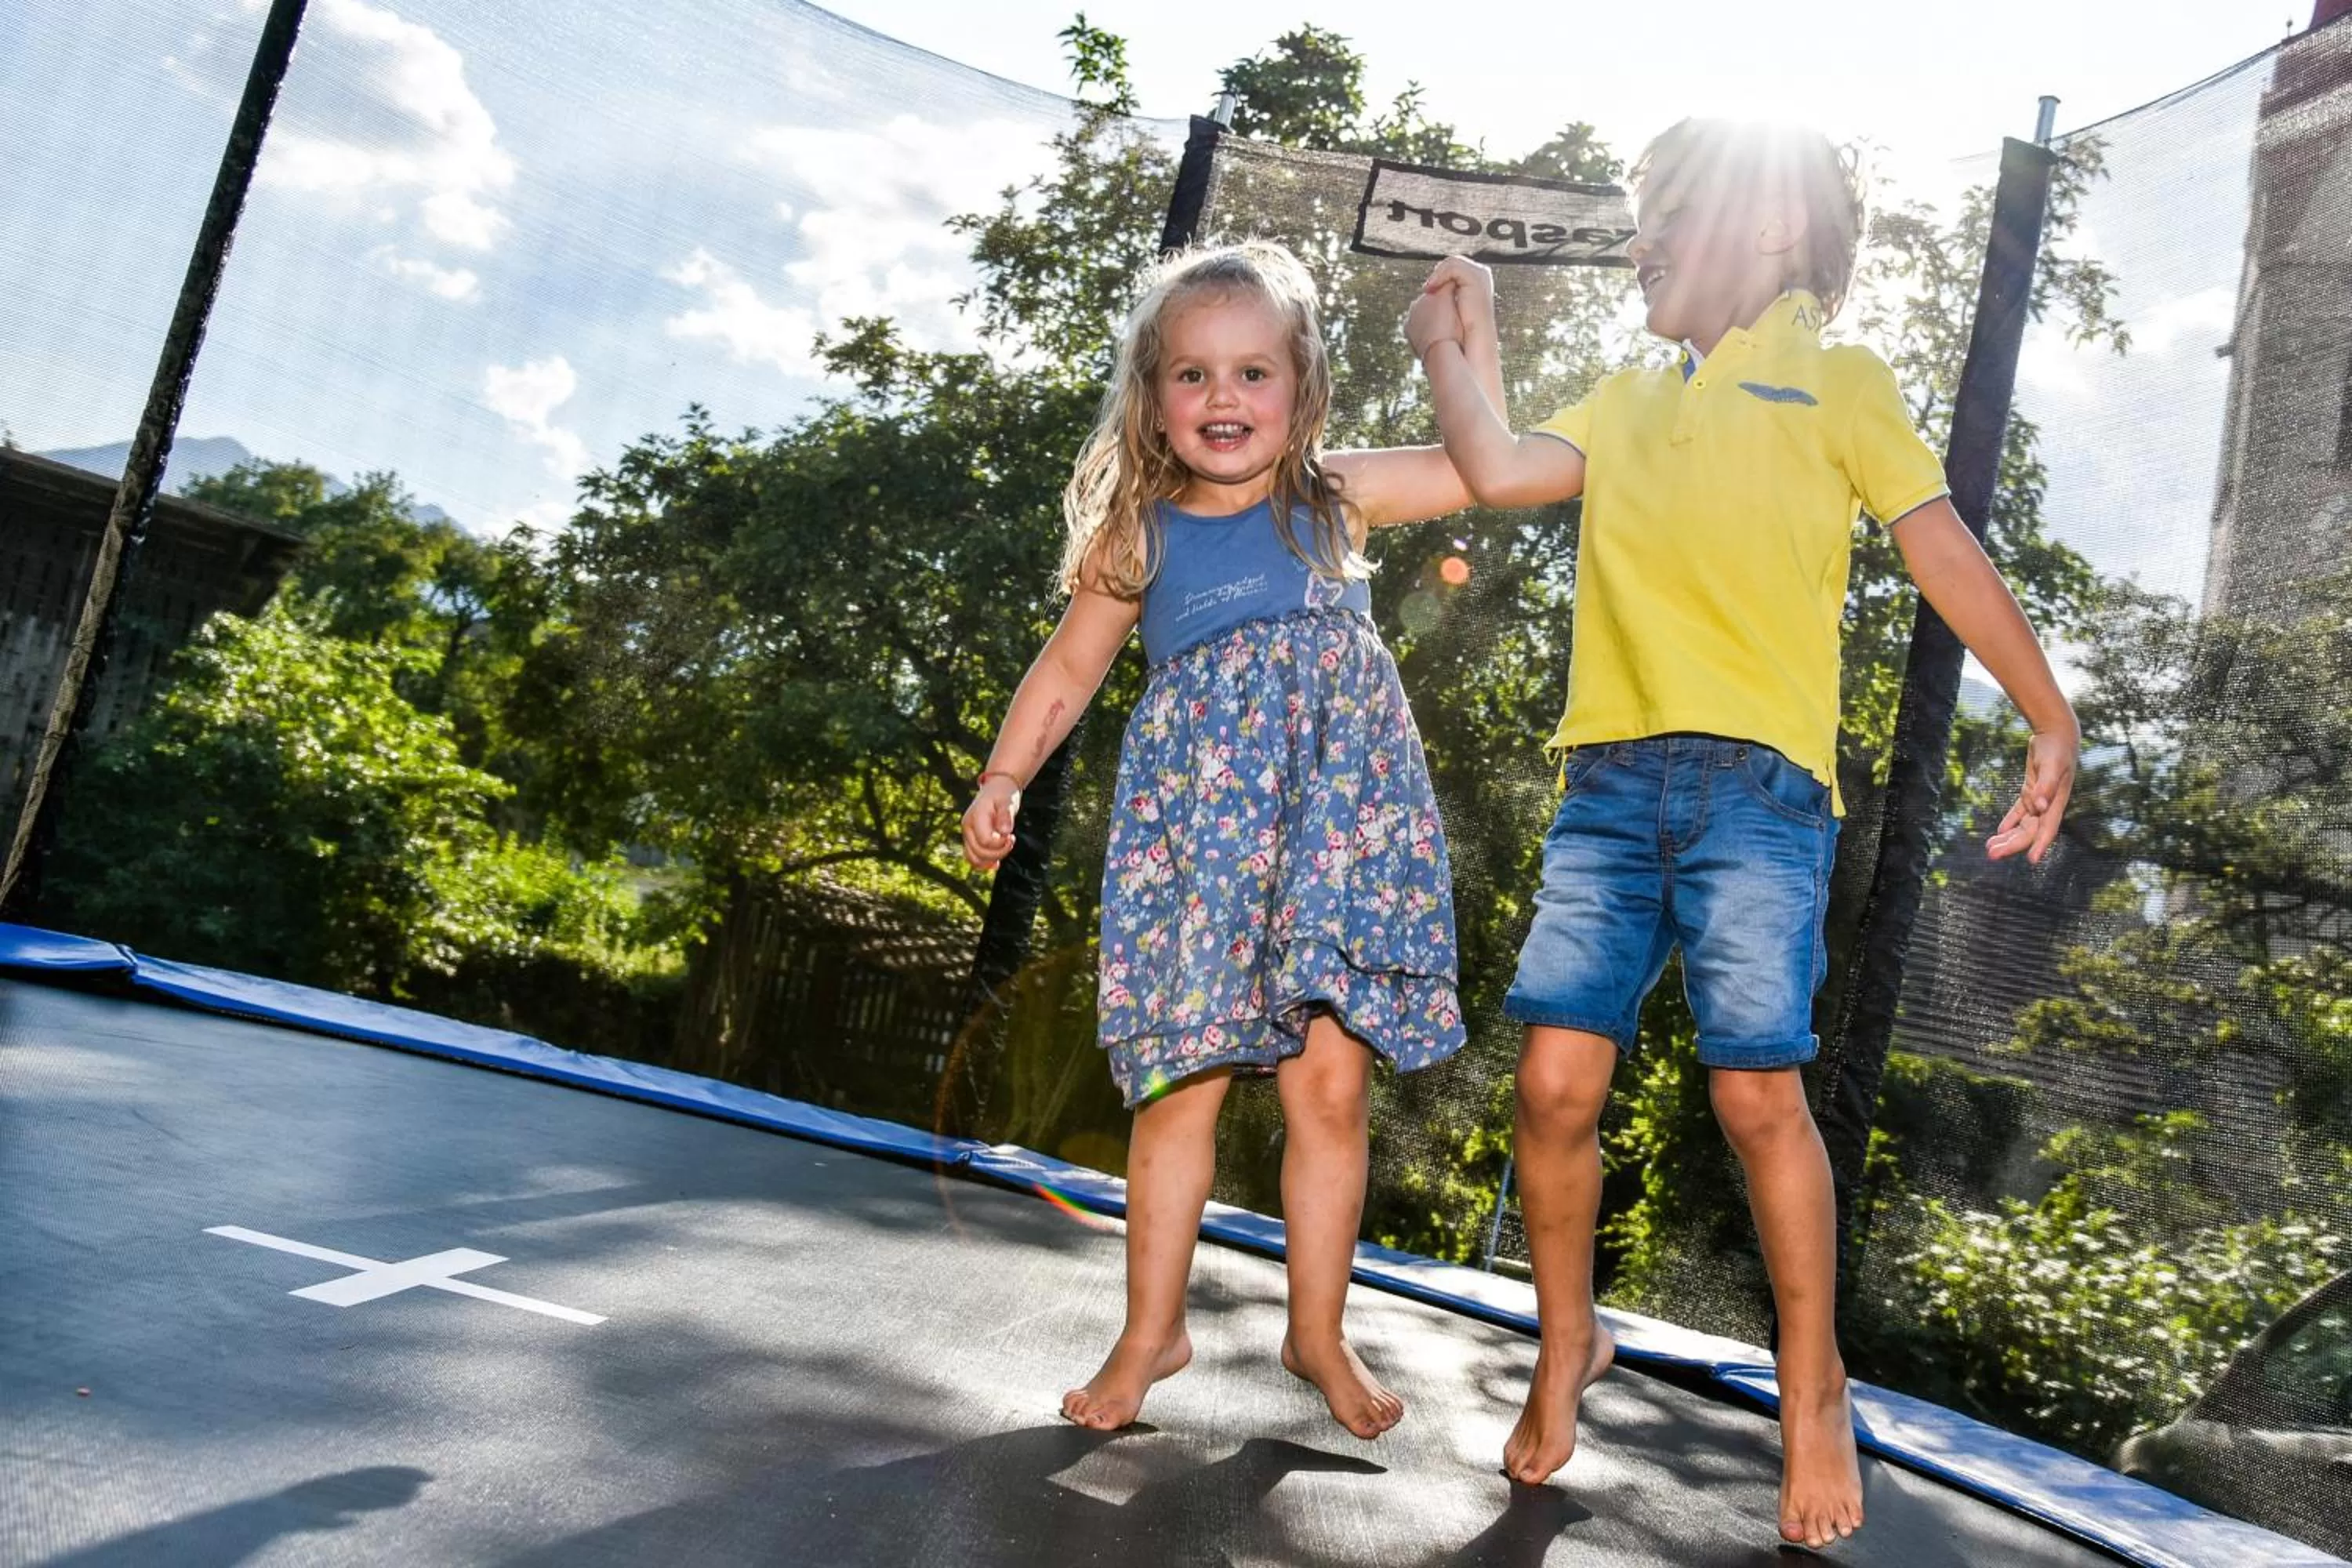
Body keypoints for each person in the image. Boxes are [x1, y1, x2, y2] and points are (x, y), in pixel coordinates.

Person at [1404, 118, 2079, 1548]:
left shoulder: (1837, 380)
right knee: (1551, 1090)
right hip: (1609, 791)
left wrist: (2047, 714)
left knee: (1758, 1093)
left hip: (1762, 799)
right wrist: (1449, 340)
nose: (1641, 234)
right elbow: (1500, 464)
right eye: (1641, 212)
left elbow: (1939, 540)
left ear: (1773, 234)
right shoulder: (1631, 392)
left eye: (1672, 212)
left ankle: (1815, 1384)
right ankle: (1564, 1345)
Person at [961, 241, 1479, 1439]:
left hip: (1333, 836)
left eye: (1253, 372)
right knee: (1178, 1090)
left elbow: (1482, 465)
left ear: (1301, 388)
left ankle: (1317, 1330)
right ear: (1153, 396)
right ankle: (1152, 1332)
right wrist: (1005, 772)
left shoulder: (1332, 499)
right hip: (1201, 848)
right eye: (1191, 376)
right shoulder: (1141, 534)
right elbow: (1067, 669)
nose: (1223, 399)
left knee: (1330, 1087)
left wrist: (1457, 338)